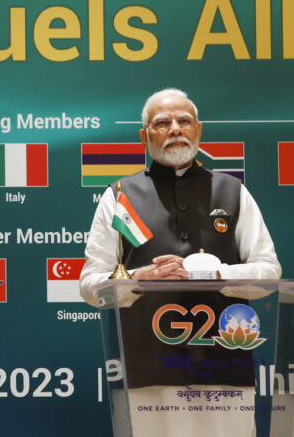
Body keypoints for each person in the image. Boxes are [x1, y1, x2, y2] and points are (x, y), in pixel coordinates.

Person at [79, 88, 281, 437]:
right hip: (149, 371)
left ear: (198, 131)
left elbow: (268, 272)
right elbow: (89, 285)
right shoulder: (119, 197)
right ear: (144, 137)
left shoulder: (233, 191)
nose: (175, 129)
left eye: (184, 121)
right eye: (162, 123)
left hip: (225, 366)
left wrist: (214, 273)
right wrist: (139, 278)